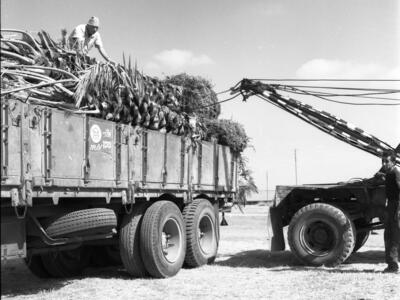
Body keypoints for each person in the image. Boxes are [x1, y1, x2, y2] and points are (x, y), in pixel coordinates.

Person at [379, 151, 400, 273]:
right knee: (388, 234)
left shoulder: (395, 172)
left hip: (396, 206)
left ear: (393, 162)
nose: (384, 163)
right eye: (383, 161)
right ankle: (391, 264)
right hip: (391, 205)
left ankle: (393, 266)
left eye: (387, 161)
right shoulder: (389, 173)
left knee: (393, 236)